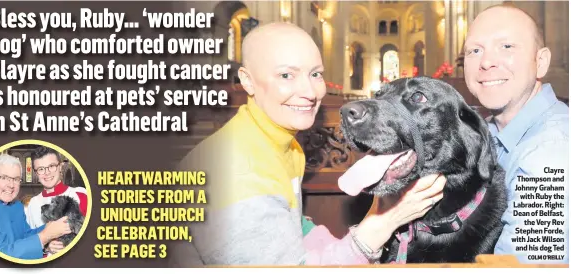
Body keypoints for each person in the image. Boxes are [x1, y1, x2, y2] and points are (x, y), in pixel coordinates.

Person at [173, 22, 446, 266]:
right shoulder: (237, 174)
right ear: (247, 81)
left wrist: (347, 238)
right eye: (286, 76)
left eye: (315, 74)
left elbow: (290, 225)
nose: (309, 92)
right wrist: (384, 221)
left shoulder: (280, 142)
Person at [464, 4, 569, 264]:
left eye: (506, 47)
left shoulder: (549, 154)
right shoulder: (489, 130)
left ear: (541, 62)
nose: (486, 62)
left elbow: (523, 266)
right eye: (475, 51)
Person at [0, 154, 72, 260]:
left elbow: (25, 235)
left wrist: (50, 226)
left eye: (16, 179)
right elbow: (0, 253)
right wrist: (45, 236)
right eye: (5, 178)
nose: (11, 185)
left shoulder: (18, 206)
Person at [24, 146, 88, 255]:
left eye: (51, 166)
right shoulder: (33, 203)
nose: (47, 172)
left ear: (60, 166)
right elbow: (29, 240)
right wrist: (45, 246)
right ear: (36, 173)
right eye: (41, 169)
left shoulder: (80, 195)